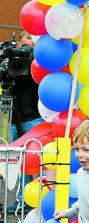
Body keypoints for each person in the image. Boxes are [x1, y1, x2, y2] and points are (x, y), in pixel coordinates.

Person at [1, 31, 44, 213]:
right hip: (11, 119)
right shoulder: (9, 60)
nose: (30, 41)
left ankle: (30, 200)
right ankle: (15, 201)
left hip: (33, 118)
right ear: (18, 42)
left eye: (33, 39)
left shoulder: (39, 62)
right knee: (13, 160)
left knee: (32, 161)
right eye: (26, 37)